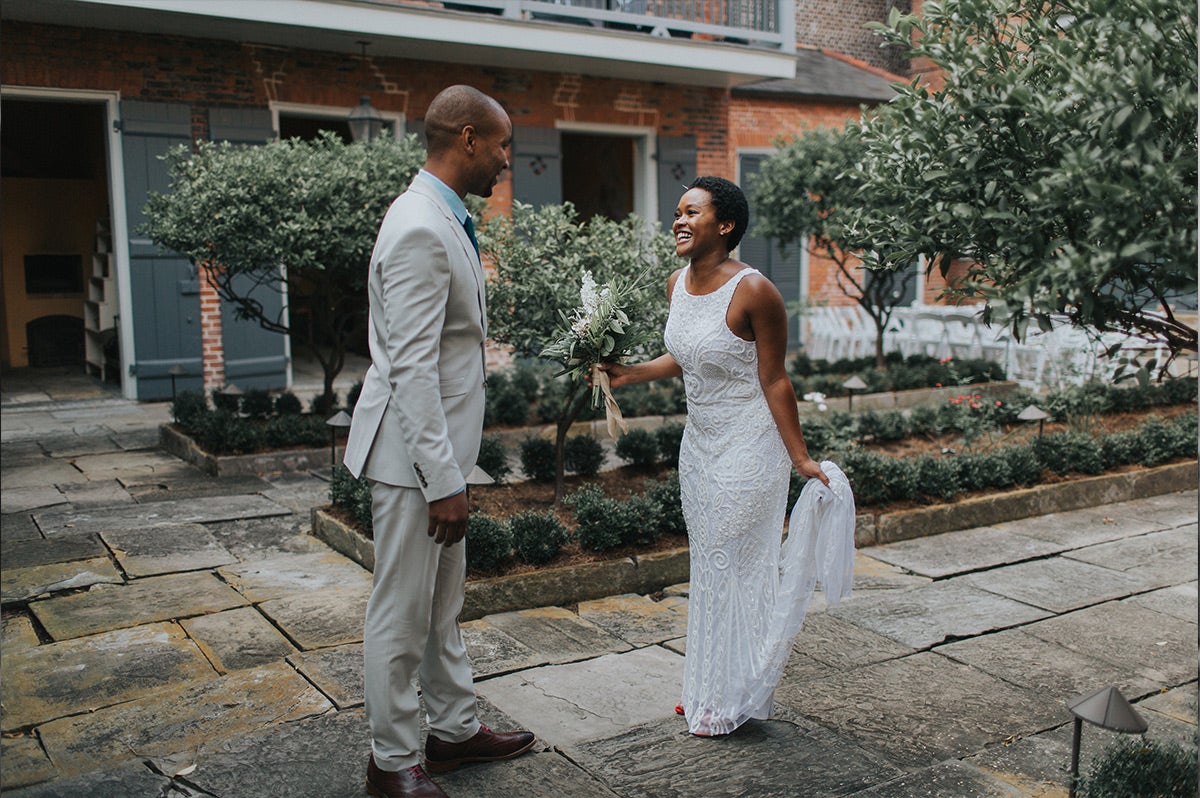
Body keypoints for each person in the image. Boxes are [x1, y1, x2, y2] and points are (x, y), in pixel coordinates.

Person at [601, 176, 855, 737]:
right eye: (677, 212)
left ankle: (732, 695)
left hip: (750, 446)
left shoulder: (756, 291)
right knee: (710, 567)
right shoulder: (677, 283)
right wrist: (632, 372)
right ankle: (708, 686)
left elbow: (775, 380)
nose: (679, 221)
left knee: (732, 564)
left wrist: (800, 459)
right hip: (700, 447)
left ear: (726, 224)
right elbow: (686, 355)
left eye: (692, 212)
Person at [344, 85, 535, 798]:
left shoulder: (442, 216)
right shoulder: (420, 226)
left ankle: (453, 732)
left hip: (438, 456)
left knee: (441, 606)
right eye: (501, 145)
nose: (506, 160)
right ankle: (391, 762)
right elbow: (412, 369)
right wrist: (443, 480)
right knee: (400, 612)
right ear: (465, 138)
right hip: (412, 463)